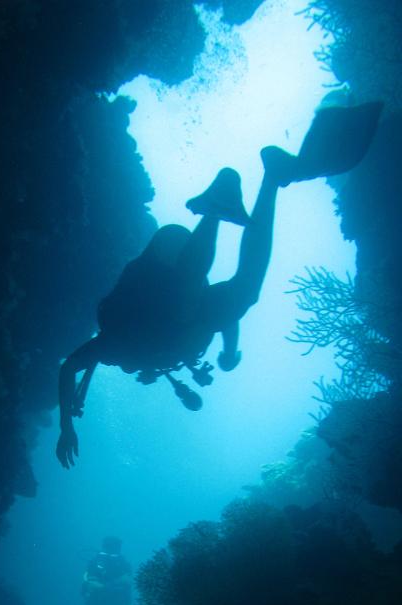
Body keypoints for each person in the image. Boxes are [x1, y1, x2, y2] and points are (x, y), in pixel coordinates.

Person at [56, 102, 383, 468]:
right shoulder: (165, 346)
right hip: (184, 283)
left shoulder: (117, 346)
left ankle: (215, 209)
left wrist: (66, 426)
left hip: (165, 264)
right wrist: (229, 353)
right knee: (246, 293)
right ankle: (273, 178)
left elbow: (69, 366)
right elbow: (225, 314)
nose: (135, 372)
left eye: (134, 370)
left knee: (186, 300)